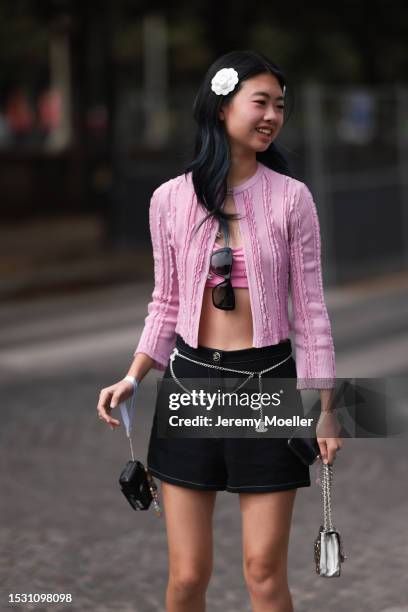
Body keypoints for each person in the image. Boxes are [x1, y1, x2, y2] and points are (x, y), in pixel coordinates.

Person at [97, 50, 343, 612]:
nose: (273, 115)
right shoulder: (168, 201)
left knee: (263, 575)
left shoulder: (292, 199)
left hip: (270, 386)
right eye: (261, 102)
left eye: (280, 105)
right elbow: (165, 302)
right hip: (189, 385)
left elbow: (311, 313)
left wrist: (325, 404)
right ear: (221, 105)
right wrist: (134, 375)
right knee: (187, 577)